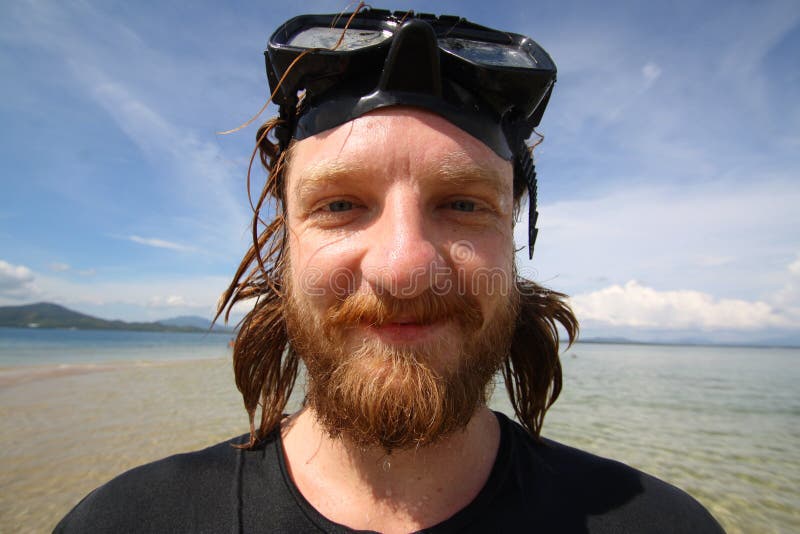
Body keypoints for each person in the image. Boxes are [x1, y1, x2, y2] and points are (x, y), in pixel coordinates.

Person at [56, 8, 724, 533]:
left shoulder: (664, 525)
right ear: (281, 244)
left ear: (512, 240)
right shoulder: (122, 522)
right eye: (341, 205)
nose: (404, 268)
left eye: (462, 204)